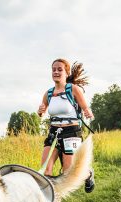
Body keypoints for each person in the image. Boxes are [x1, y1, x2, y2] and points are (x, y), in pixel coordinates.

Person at [37, 58, 95, 193]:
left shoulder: (73, 89)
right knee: (46, 170)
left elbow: (85, 107)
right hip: (54, 132)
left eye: (59, 69)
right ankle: (50, 199)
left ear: (67, 73)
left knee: (69, 172)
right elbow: (42, 112)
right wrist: (40, 111)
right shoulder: (48, 93)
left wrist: (88, 112)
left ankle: (88, 174)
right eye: (53, 70)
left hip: (71, 132)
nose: (56, 72)